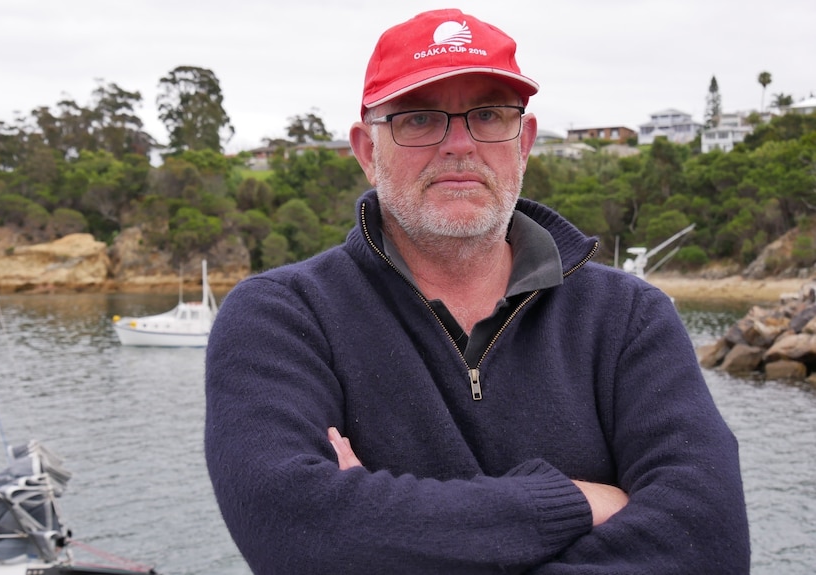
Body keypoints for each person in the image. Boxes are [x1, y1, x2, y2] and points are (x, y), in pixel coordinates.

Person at [205, 8, 750, 574]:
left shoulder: (629, 318)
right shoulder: (282, 318)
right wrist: (572, 503)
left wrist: (385, 531)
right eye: (419, 119)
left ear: (525, 142)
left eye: (488, 114)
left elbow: (706, 546)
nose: (459, 145)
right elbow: (297, 535)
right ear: (368, 151)